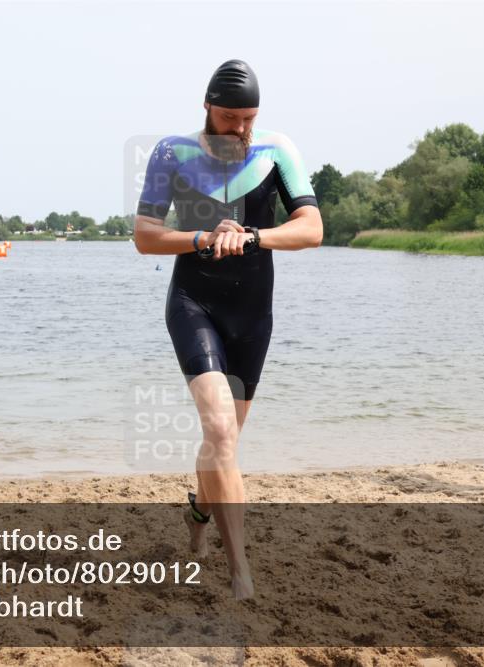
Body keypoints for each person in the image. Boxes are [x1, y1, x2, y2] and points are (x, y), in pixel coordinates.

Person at [134, 60, 322, 598]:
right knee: (218, 433)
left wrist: (254, 237)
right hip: (194, 303)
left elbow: (312, 228)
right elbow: (145, 235)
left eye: (250, 119)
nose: (241, 129)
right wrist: (200, 238)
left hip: (252, 314)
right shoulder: (172, 152)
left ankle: (198, 506)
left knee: (224, 442)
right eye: (230, 118)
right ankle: (240, 572)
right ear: (207, 109)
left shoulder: (276, 151)